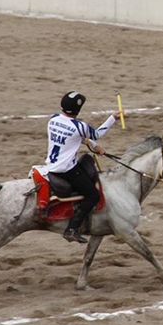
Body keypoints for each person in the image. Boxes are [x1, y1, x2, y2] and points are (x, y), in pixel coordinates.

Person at [43, 91, 119, 243]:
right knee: (93, 195)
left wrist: (95, 147)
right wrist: (112, 118)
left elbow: (81, 138)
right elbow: (96, 134)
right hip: (66, 171)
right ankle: (71, 229)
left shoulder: (53, 119)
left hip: (50, 166)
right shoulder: (80, 126)